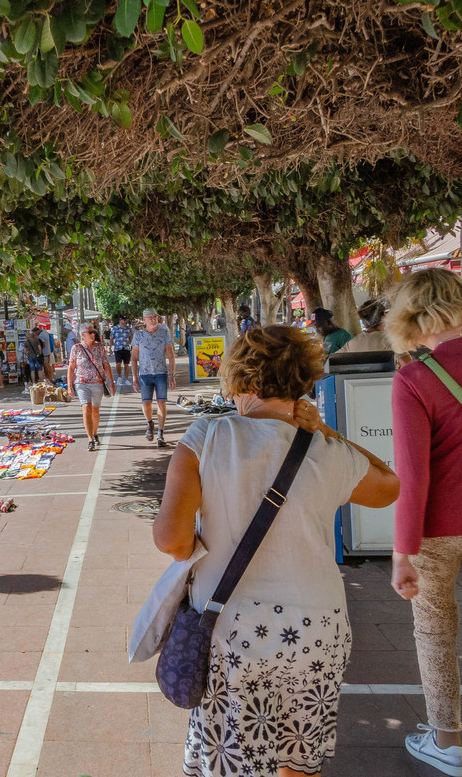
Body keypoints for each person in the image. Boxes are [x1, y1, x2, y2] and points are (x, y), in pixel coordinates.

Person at [154, 326, 398, 777]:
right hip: (318, 629)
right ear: (303, 382)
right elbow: (388, 486)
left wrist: (200, 546)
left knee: (234, 758)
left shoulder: (205, 436)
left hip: (233, 629)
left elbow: (171, 541)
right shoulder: (325, 450)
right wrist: (324, 429)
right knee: (299, 760)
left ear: (238, 379)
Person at [385, 269, 462, 775]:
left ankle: (448, 741)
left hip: (438, 527)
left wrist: (401, 553)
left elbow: (412, 478)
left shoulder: (415, 378)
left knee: (435, 629)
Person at [131, 308, 177, 447]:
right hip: (145, 374)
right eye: (150, 317)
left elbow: (170, 355)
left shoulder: (164, 333)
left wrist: (172, 375)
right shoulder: (138, 336)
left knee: (161, 402)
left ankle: (160, 434)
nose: (153, 319)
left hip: (161, 373)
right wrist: (134, 378)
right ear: (144, 320)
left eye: (155, 316)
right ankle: (149, 423)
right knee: (146, 403)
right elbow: (134, 358)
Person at [67, 325, 115, 452]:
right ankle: (90, 439)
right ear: (83, 334)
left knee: (95, 410)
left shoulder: (99, 347)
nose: (93, 334)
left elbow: (106, 364)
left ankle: (95, 433)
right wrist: (70, 387)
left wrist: (112, 382)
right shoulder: (76, 348)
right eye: (90, 332)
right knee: (86, 408)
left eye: (94, 332)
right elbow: (71, 368)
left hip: (97, 382)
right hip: (81, 382)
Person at [111, 315, 133, 389]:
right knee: (118, 364)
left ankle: (126, 379)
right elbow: (111, 338)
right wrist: (111, 347)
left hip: (126, 348)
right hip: (118, 348)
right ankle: (119, 377)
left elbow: (130, 337)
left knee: (126, 364)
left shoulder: (128, 329)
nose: (123, 322)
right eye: (121, 320)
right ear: (119, 321)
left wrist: (132, 345)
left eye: (124, 320)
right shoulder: (115, 328)